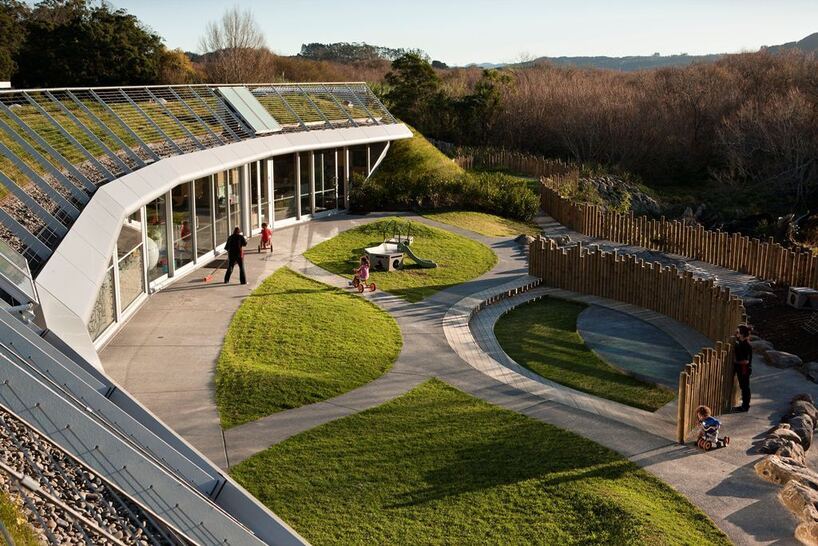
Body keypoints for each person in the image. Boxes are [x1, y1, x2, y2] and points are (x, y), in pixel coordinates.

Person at [733, 324, 753, 412]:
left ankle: (745, 406)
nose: (736, 333)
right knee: (743, 387)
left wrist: (736, 362)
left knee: (745, 388)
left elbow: (746, 361)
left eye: (738, 332)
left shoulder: (746, 345)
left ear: (742, 334)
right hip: (741, 369)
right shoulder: (741, 342)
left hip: (744, 369)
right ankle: (745, 405)